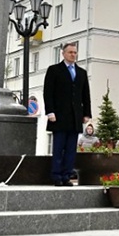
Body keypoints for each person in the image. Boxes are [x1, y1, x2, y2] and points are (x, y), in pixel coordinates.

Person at [43, 42, 92, 186]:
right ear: (63, 54)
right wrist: (50, 111)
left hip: (75, 117)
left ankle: (66, 175)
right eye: (70, 52)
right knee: (58, 147)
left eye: (75, 52)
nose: (73, 55)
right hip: (58, 115)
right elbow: (48, 92)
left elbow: (85, 94)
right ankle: (56, 175)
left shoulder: (81, 72)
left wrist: (87, 113)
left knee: (71, 149)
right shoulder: (54, 70)